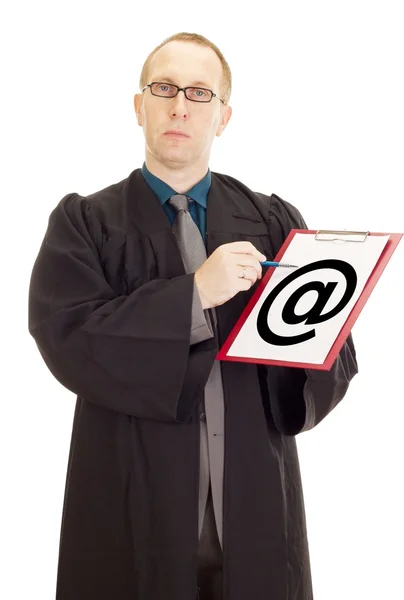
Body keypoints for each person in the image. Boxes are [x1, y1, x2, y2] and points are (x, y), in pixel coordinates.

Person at [28, 31, 358, 600]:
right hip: (135, 502)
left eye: (200, 93)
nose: (180, 105)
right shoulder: (84, 223)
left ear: (223, 116)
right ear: (140, 106)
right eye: (164, 88)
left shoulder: (274, 221)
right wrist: (192, 295)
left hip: (254, 506)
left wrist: (318, 322)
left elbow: (334, 357)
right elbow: (66, 335)